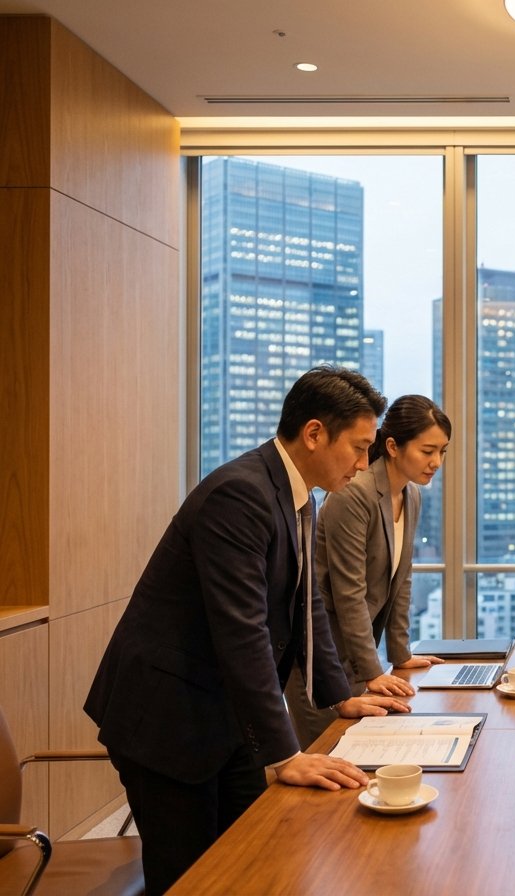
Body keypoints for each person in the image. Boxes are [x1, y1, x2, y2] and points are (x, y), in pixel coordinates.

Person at [84, 366, 411, 895]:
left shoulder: (298, 493)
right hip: (168, 716)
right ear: (313, 433)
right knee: (191, 877)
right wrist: (287, 755)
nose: (363, 462)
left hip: (225, 715)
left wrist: (339, 698)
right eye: (356, 447)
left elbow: (306, 607)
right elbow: (243, 631)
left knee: (256, 857)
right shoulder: (240, 495)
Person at [286, 394, 451, 748]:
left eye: (442, 452)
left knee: (362, 758)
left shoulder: (412, 495)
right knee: (329, 762)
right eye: (427, 451)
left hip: (356, 657)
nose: (436, 462)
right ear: (392, 446)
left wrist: (401, 654)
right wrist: (374, 671)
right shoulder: (353, 495)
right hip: (320, 659)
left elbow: (401, 580)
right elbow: (350, 594)